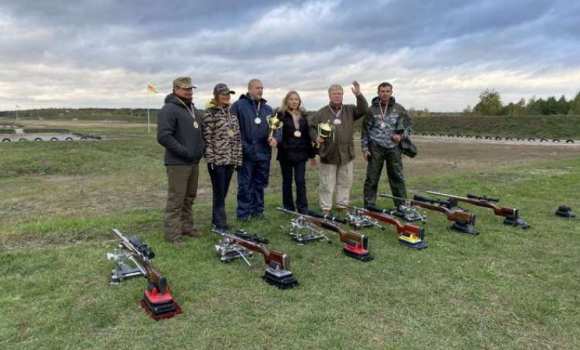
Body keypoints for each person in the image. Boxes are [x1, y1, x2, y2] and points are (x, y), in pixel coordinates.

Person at [157, 77, 205, 245]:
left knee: (189, 197)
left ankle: (187, 228)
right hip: (178, 163)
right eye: (185, 89)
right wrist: (184, 152)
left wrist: (200, 149)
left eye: (191, 89)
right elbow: (164, 136)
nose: (189, 92)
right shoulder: (168, 109)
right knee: (176, 199)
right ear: (175, 89)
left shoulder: (192, 108)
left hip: (193, 162)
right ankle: (172, 235)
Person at [309, 81, 368, 215]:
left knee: (345, 181)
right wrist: (316, 137)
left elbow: (364, 109)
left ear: (343, 95)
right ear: (329, 95)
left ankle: (342, 205)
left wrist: (359, 95)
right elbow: (311, 127)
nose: (337, 96)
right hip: (328, 153)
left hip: (346, 153)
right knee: (326, 183)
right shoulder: (322, 113)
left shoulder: (350, 110)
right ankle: (325, 207)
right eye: (334, 94)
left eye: (339, 93)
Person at [231, 79, 279, 221]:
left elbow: (276, 129)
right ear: (249, 89)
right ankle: (243, 214)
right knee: (245, 186)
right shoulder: (238, 106)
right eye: (257, 88)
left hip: (264, 153)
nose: (260, 90)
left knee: (259, 184)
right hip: (246, 154)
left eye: (262, 88)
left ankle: (258, 212)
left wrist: (276, 138)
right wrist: (246, 148)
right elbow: (234, 131)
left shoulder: (267, 109)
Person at [361, 82, 412, 209]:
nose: (385, 94)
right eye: (382, 91)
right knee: (372, 178)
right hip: (375, 148)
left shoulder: (399, 109)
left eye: (387, 91)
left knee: (397, 177)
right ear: (378, 93)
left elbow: (409, 127)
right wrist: (365, 148)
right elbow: (365, 130)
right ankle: (369, 206)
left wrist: (401, 136)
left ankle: (402, 206)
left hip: (393, 148)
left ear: (391, 92)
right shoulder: (371, 109)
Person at [201, 83, 243, 234]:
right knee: (219, 192)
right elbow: (207, 138)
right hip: (217, 161)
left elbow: (237, 138)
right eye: (223, 94)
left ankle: (216, 221)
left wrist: (238, 159)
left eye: (228, 94)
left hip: (230, 160)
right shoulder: (209, 114)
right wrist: (211, 159)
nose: (226, 96)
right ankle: (220, 224)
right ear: (216, 95)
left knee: (223, 193)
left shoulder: (232, 115)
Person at [276, 91, 317, 214]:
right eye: (291, 99)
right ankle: (288, 208)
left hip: (301, 154)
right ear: (287, 101)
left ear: (299, 101)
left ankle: (302, 208)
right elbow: (277, 134)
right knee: (286, 182)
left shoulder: (304, 116)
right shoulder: (280, 116)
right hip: (285, 154)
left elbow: (307, 137)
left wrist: (311, 155)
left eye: (296, 99)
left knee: (300, 181)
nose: (294, 101)